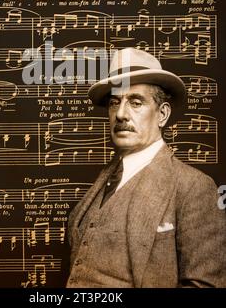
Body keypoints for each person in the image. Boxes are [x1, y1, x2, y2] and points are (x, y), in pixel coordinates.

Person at [66, 47, 226, 288]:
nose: (120, 114)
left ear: (162, 114)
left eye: (136, 102)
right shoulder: (103, 181)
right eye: (114, 103)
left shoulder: (194, 187)